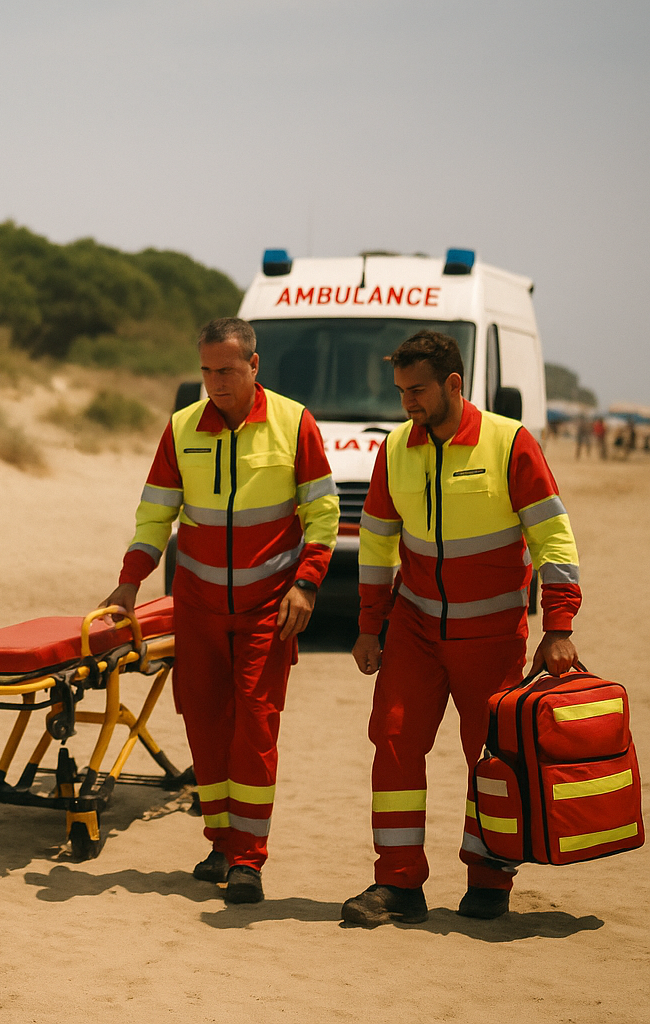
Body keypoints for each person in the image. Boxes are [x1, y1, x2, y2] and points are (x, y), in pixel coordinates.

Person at [342, 330, 581, 927]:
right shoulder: (396, 449)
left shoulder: (509, 443)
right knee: (393, 743)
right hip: (416, 631)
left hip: (493, 636)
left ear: (453, 383)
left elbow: (553, 537)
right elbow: (375, 543)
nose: (408, 405)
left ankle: (489, 880)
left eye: (417, 391)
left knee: (491, 759)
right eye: (400, 392)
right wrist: (371, 626)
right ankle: (397, 884)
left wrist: (558, 624)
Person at [102, 316, 339, 904]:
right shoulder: (182, 428)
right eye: (206, 371)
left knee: (254, 728)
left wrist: (306, 585)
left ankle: (248, 861)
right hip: (199, 610)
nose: (215, 383)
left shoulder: (293, 422)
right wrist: (129, 583)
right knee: (205, 724)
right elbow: (155, 515)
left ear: (254, 366)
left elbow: (324, 516)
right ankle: (220, 842)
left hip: (268, 609)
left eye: (227, 371)